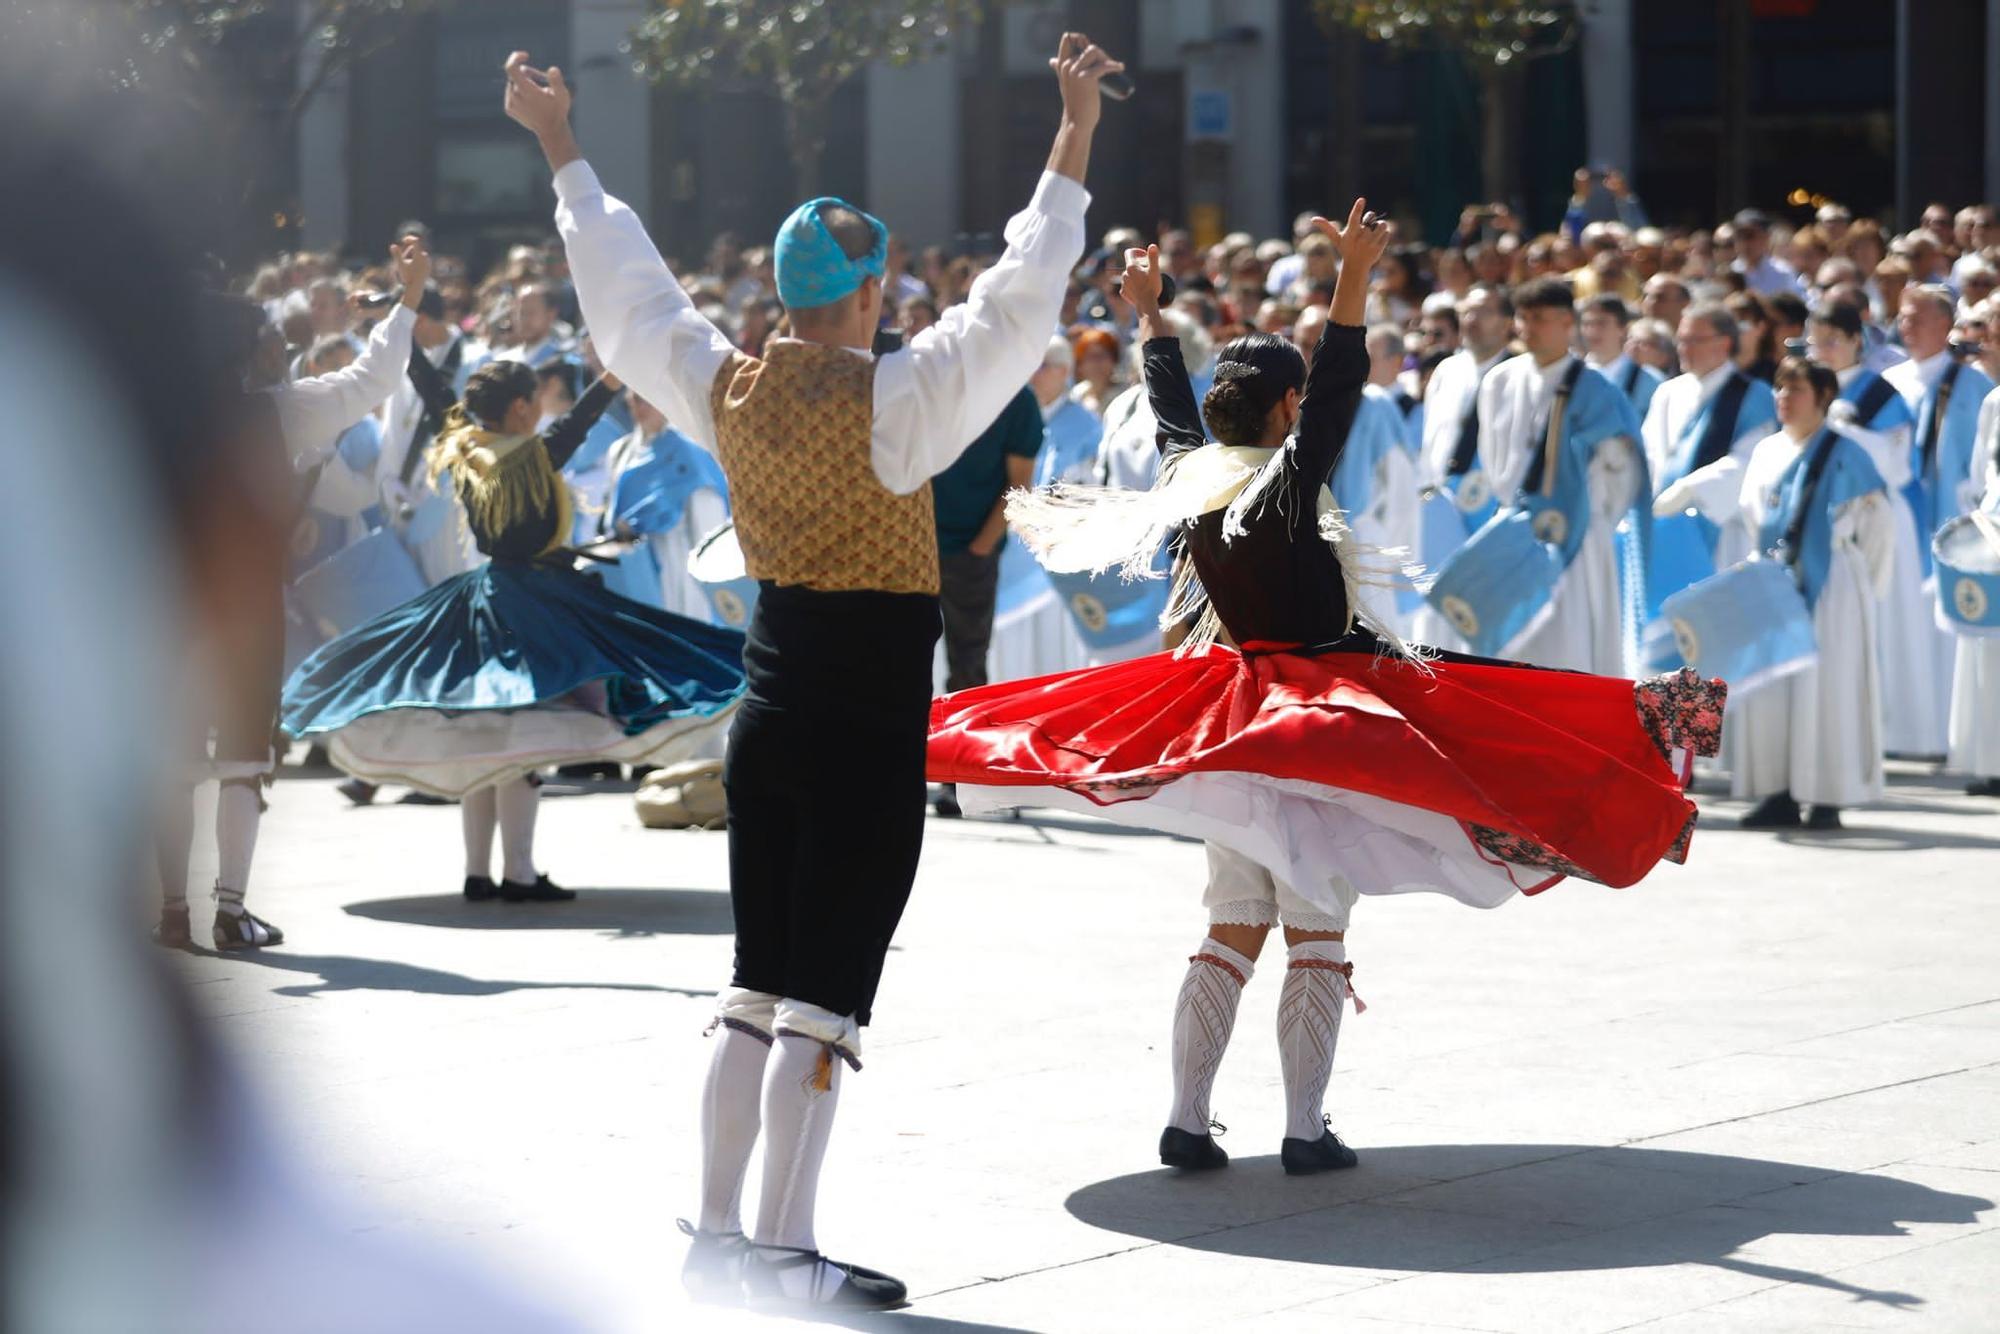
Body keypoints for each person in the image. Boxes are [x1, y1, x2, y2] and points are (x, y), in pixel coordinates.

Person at [503, 35, 1115, 1309]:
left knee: (753, 984)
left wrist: (562, 148)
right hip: (859, 726)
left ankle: (719, 1231)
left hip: (767, 714)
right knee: (824, 1004)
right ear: (868, 287)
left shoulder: (725, 386)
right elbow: (1013, 306)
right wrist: (1069, 142)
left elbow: (630, 301)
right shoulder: (898, 398)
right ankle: (782, 1255)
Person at [942, 213, 1718, 1181]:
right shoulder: (1280, 481)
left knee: (1229, 923)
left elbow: (1176, 410)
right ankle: (1303, 1130)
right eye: (1295, 405)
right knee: (1314, 928)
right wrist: (1350, 279)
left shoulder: (1193, 479)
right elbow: (1339, 392)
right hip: (1318, 724)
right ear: (1283, 410)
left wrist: (1150, 320)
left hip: (1227, 719)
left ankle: (1186, 1118)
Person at [281, 358, 747, 898]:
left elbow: (439, 402)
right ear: (522, 407)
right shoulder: (530, 455)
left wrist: (407, 336)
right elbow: (571, 430)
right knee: (525, 742)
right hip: (536, 604)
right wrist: (608, 382)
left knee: (486, 736)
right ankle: (520, 873)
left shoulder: (468, 449)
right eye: (535, 403)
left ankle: (478, 873)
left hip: (483, 596)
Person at [153, 236, 428, 952]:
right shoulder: (281, 410)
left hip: (168, 604)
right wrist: (409, 300)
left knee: (176, 761)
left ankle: (173, 912)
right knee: (244, 758)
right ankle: (230, 910)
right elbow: (373, 380)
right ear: (248, 354)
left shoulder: (153, 416)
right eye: (271, 338)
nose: (281, 345)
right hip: (242, 606)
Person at [1663, 360, 1892, 829]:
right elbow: (1752, 517)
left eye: (1798, 388)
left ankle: (1827, 795)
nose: (1785, 397)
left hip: (1833, 588)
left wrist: (1853, 583)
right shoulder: (1767, 451)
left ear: (1824, 395)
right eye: (1780, 387)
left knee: (1826, 689)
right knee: (1775, 686)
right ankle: (1779, 791)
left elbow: (1877, 529)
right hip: (1773, 582)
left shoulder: (1850, 454)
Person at [1451, 277, 1646, 674]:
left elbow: (1623, 470)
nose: (1528, 327)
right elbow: (1493, 457)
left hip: (1577, 535)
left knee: (1570, 647)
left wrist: (1590, 513)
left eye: (1539, 318)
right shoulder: (1499, 381)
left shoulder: (1596, 390)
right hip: (1515, 528)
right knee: (1510, 650)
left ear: (1565, 323)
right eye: (1523, 318)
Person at [1883, 285, 1996, 755]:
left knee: (1949, 637)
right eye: (1903, 318)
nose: (1907, 326)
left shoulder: (1975, 387)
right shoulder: (1887, 381)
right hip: (1899, 525)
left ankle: (1947, 740)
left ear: (1946, 325)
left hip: (1952, 524)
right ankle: (1901, 731)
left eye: (1919, 318)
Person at [1640, 303, 1778, 606]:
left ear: (1724, 342)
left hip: (1723, 532)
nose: (1684, 348)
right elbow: (1650, 454)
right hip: (1666, 531)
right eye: (1681, 340)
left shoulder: (1754, 395)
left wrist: (1690, 489)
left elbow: (1751, 461)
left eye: (1694, 340)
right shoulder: (1668, 393)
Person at [1411, 283, 1514, 650]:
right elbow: (1430, 442)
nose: (1471, 320)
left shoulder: (1517, 375)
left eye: (1483, 312)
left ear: (1506, 323)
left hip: (1488, 510)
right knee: (1433, 616)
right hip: (1440, 508)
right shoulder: (1445, 371)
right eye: (1467, 312)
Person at [1948, 379, 2000, 795]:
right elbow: (1982, 470)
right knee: (1991, 652)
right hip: (1995, 531)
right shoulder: (1995, 401)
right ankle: (1993, 761)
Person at [1581, 293, 1665, 419]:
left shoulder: (1650, 382)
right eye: (1587, 324)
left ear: (1623, 329)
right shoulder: (1570, 376)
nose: (1592, 331)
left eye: (1601, 323)